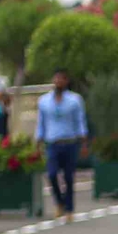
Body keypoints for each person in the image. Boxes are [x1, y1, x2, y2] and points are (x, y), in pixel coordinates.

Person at [35, 68, 87, 221]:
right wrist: (38, 143)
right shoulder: (44, 101)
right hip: (52, 143)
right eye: (56, 78)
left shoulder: (74, 100)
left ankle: (69, 209)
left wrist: (84, 143)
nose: (58, 82)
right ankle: (59, 202)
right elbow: (41, 123)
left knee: (69, 177)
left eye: (61, 79)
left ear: (66, 81)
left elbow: (80, 122)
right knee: (51, 174)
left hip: (70, 142)